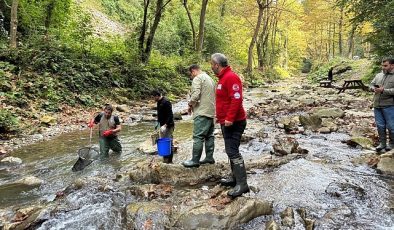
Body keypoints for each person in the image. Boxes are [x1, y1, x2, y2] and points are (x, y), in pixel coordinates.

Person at [211, 53, 249, 198]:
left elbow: (236, 99)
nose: (211, 67)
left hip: (235, 122)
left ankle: (242, 184)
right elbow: (224, 101)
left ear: (217, 65)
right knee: (230, 150)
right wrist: (219, 116)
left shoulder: (231, 77)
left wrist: (230, 118)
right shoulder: (222, 79)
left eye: (211, 64)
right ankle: (235, 179)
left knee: (233, 151)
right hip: (225, 120)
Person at [182, 64, 216, 168]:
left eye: (191, 74)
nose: (191, 76)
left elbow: (195, 95)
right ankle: (209, 158)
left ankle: (195, 160)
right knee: (209, 136)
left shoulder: (197, 78)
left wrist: (190, 104)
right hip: (211, 112)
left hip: (201, 112)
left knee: (198, 136)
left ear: (193, 71)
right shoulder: (210, 79)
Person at [370, 58, 394, 152]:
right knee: (380, 126)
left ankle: (392, 144)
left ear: (392, 65)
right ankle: (382, 143)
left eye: (385, 65)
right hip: (377, 105)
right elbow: (371, 85)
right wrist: (372, 89)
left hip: (390, 105)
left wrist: (383, 90)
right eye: (382, 65)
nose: (383, 67)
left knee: (391, 126)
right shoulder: (379, 75)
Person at [152, 90, 175, 163]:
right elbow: (160, 114)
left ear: (157, 96)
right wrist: (158, 123)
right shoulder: (158, 102)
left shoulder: (166, 102)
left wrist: (165, 125)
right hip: (162, 125)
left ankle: (170, 161)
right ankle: (165, 158)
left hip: (168, 126)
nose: (153, 99)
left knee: (169, 142)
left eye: (153, 97)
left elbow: (170, 115)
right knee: (164, 142)